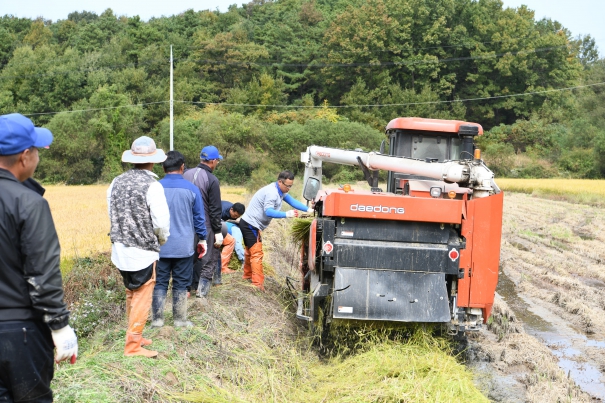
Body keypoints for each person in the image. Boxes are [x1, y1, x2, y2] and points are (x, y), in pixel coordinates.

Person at [0, 113, 78, 402]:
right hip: (21, 333)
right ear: (24, 156)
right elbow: (42, 273)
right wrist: (59, 326)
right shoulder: (28, 203)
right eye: (36, 150)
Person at [107, 136, 170, 358]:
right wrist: (161, 241)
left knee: (131, 294)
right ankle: (133, 346)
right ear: (153, 161)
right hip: (143, 251)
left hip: (120, 250)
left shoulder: (116, 182)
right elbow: (161, 223)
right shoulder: (153, 185)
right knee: (142, 297)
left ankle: (136, 335)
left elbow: (111, 213)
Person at [152, 151, 207, 328]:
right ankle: (180, 319)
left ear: (163, 167)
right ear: (182, 167)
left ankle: (158, 319)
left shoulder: (155, 188)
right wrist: (203, 239)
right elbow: (199, 218)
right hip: (184, 246)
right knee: (181, 282)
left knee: (159, 281)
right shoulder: (192, 189)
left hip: (159, 246)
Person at [238, 171, 313, 290]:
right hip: (250, 224)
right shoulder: (272, 192)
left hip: (250, 224)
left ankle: (247, 276)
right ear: (280, 182)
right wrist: (286, 214)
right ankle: (257, 284)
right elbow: (268, 211)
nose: (288, 188)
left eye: (291, 186)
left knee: (250, 251)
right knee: (256, 253)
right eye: (287, 185)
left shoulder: (280, 191)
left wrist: (309, 209)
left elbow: (292, 202)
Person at [183, 145, 223, 298]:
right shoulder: (212, 180)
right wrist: (218, 231)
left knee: (187, 258)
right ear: (212, 161)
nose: (217, 164)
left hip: (185, 225)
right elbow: (214, 209)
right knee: (209, 258)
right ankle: (201, 294)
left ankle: (185, 290)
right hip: (205, 226)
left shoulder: (186, 174)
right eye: (217, 161)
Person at [219, 201, 246, 274]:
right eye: (235, 215)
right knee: (231, 241)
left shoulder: (235, 210)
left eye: (238, 216)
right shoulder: (221, 210)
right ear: (231, 209)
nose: (236, 217)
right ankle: (222, 268)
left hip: (223, 224)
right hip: (213, 224)